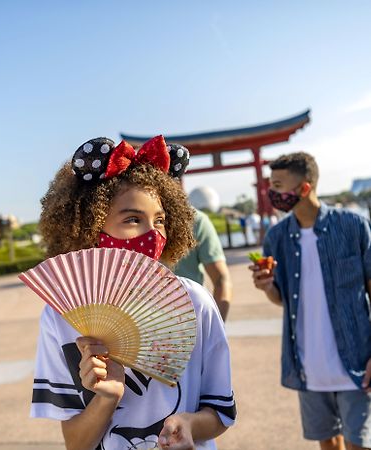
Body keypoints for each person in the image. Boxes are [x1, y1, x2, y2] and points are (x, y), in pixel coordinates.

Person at [32, 135, 236, 450]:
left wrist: (191, 424)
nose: (152, 234)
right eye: (132, 219)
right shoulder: (60, 316)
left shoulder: (194, 302)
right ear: (90, 227)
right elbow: (75, 443)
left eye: (160, 220)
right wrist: (107, 397)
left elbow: (221, 411)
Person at [250, 152, 371, 450]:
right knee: (328, 444)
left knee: (360, 444)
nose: (272, 193)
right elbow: (283, 300)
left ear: (304, 188)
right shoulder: (277, 237)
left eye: (278, 185)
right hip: (306, 365)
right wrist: (266, 287)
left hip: (356, 362)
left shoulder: (354, 226)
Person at [174, 207, 233, 320]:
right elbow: (221, 280)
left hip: (191, 321)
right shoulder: (198, 219)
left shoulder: (196, 220)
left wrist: (213, 329)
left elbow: (221, 280)